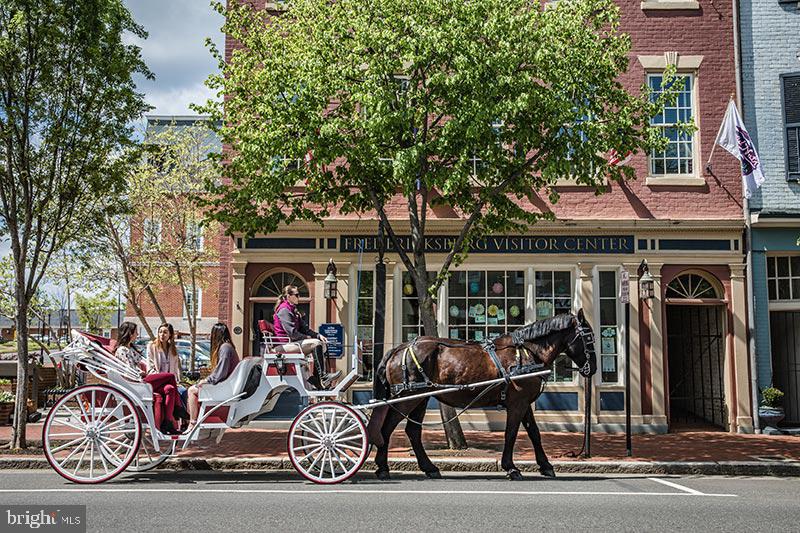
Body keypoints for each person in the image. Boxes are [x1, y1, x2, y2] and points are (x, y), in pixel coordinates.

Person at [113, 321, 186, 435]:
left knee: (170, 389)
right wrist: (141, 373)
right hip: (138, 381)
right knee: (170, 376)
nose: (137, 335)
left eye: (165, 332)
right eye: (136, 332)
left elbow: (142, 361)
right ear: (130, 334)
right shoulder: (122, 350)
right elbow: (129, 371)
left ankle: (167, 421)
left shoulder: (130, 349)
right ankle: (178, 408)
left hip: (144, 380)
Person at [273, 285, 341, 390]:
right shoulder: (284, 310)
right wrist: (309, 338)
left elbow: (305, 329)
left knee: (321, 344)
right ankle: (323, 377)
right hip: (283, 345)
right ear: (288, 296)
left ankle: (317, 380)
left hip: (291, 344)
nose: (299, 297)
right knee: (316, 343)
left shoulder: (293, 310)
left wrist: (319, 335)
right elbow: (292, 333)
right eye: (296, 295)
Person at [186, 322, 240, 432]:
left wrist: (206, 380)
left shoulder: (225, 348)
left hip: (224, 388)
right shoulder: (229, 347)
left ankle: (192, 423)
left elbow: (220, 373)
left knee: (191, 390)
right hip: (228, 385)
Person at [147, 323, 188, 408]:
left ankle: (181, 418)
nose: (162, 334)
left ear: (170, 335)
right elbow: (150, 369)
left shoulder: (173, 350)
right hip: (157, 380)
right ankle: (178, 410)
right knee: (171, 383)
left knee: (183, 391)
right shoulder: (152, 346)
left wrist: (177, 381)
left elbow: (175, 371)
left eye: (165, 332)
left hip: (170, 382)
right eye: (160, 332)